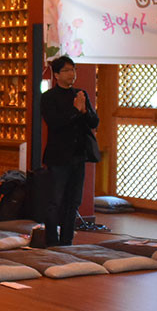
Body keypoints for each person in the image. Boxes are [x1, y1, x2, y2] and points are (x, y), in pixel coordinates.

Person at [41, 55, 99, 246]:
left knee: (74, 201)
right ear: (56, 74)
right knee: (55, 201)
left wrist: (84, 111)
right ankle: (51, 241)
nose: (71, 74)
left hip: (78, 155)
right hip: (58, 156)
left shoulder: (80, 94)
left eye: (73, 69)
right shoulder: (48, 97)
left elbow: (94, 122)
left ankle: (67, 240)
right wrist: (75, 111)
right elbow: (55, 123)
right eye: (66, 70)